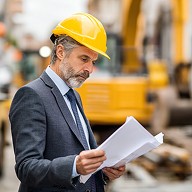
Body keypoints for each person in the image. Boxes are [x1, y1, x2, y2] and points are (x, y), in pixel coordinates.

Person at [9, 13, 125, 192]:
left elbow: (82, 166)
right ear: (61, 52)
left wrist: (103, 171)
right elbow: (26, 168)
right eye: (84, 59)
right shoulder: (31, 96)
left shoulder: (74, 96)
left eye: (93, 62)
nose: (89, 69)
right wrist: (74, 166)